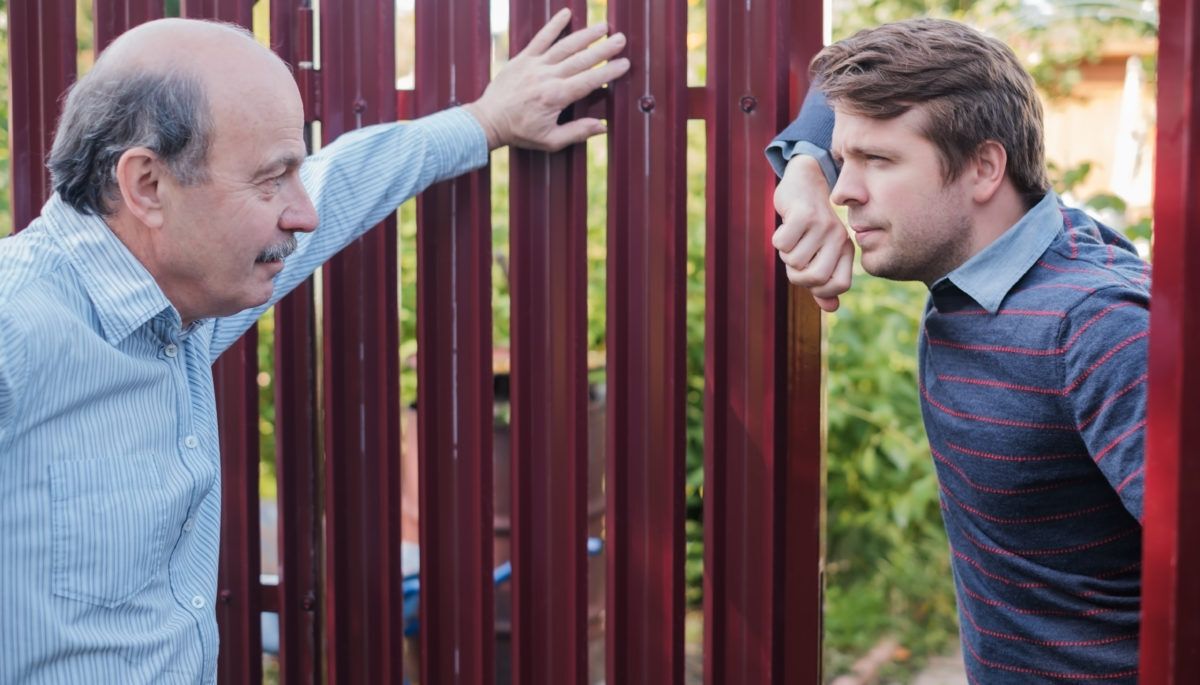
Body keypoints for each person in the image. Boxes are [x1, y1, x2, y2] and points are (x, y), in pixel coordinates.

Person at [0, 13, 627, 683]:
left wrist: (485, 121)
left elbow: (341, 184)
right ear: (148, 186)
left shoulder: (177, 304)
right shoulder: (18, 326)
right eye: (271, 179)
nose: (303, 213)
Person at [767, 19, 1147, 683]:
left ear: (984, 167)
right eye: (843, 158)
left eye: (877, 161)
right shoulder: (1003, 259)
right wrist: (803, 166)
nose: (843, 189)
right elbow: (834, 81)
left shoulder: (1095, 328)